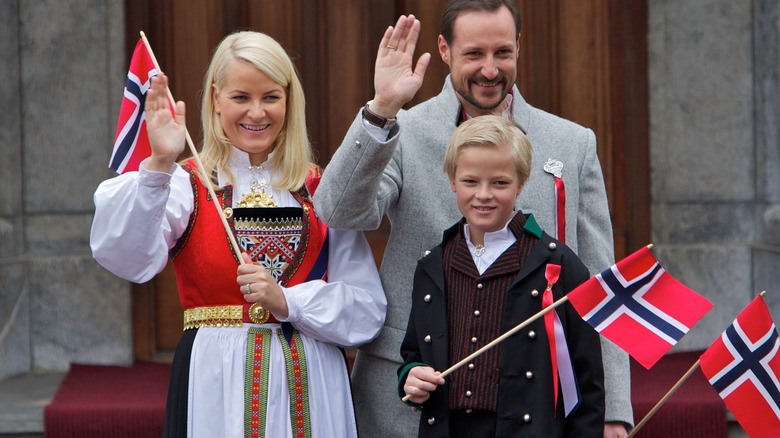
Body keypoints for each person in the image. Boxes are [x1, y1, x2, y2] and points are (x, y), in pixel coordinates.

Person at [313, 1, 632, 437]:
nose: (489, 69)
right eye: (473, 54)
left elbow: (600, 283)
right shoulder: (402, 131)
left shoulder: (571, 144)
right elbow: (338, 211)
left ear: (519, 47)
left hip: (529, 402)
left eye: (502, 52)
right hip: (409, 396)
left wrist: (613, 408)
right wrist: (382, 107)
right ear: (444, 50)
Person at [90, 31, 386, 438]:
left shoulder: (322, 188)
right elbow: (128, 258)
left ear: (289, 99)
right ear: (215, 98)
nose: (257, 112)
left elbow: (367, 308)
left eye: (270, 96)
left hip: (312, 382)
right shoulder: (185, 184)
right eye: (240, 97)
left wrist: (288, 302)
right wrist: (158, 164)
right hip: (217, 384)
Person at [399, 115, 605, 436]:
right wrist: (411, 376)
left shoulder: (558, 265)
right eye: (470, 181)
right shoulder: (432, 265)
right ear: (452, 181)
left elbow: (586, 378)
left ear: (521, 183)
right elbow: (414, 353)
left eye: (499, 182)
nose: (484, 194)